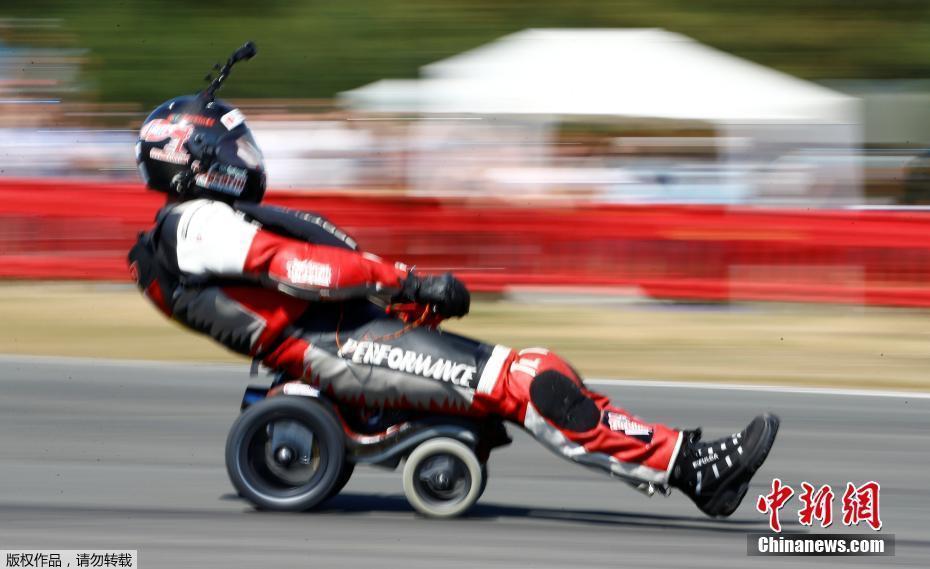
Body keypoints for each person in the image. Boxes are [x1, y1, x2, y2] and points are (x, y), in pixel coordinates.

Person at [129, 93, 779, 519]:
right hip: (331, 347)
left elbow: (296, 276)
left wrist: (396, 295)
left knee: (539, 368)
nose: (246, 160)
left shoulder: (202, 220)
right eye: (232, 150)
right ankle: (691, 467)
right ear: (195, 159)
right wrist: (406, 280)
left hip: (344, 333)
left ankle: (680, 460)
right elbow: (300, 269)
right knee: (530, 382)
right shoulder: (194, 226)